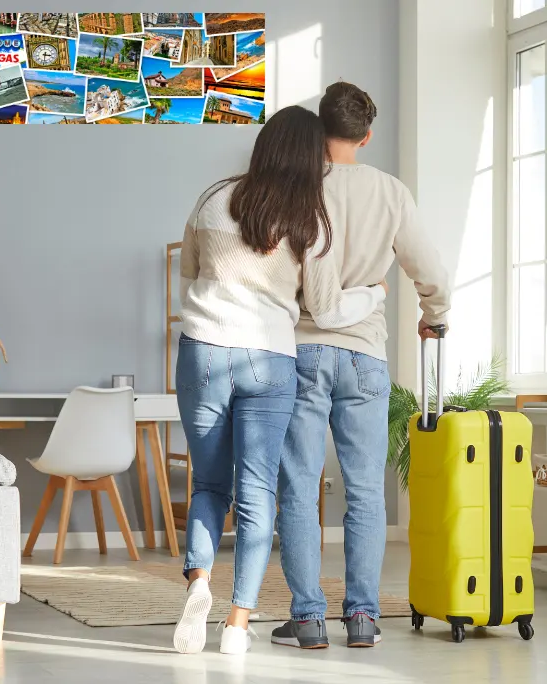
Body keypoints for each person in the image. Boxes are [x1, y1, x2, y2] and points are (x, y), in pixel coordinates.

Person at [173, 105, 388, 656]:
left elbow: (189, 272)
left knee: (209, 486)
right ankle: (239, 624)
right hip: (269, 359)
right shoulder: (308, 222)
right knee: (258, 493)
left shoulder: (212, 197)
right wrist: (375, 294)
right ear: (313, 156)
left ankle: (198, 583)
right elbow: (326, 307)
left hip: (203, 348)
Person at [271, 82, 451, 650]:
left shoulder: (294, 187)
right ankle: (364, 618)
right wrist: (433, 315)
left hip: (301, 347)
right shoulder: (391, 192)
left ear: (317, 130)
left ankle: (307, 619)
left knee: (300, 487)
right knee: (366, 491)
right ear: (365, 136)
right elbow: (431, 271)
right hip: (366, 354)